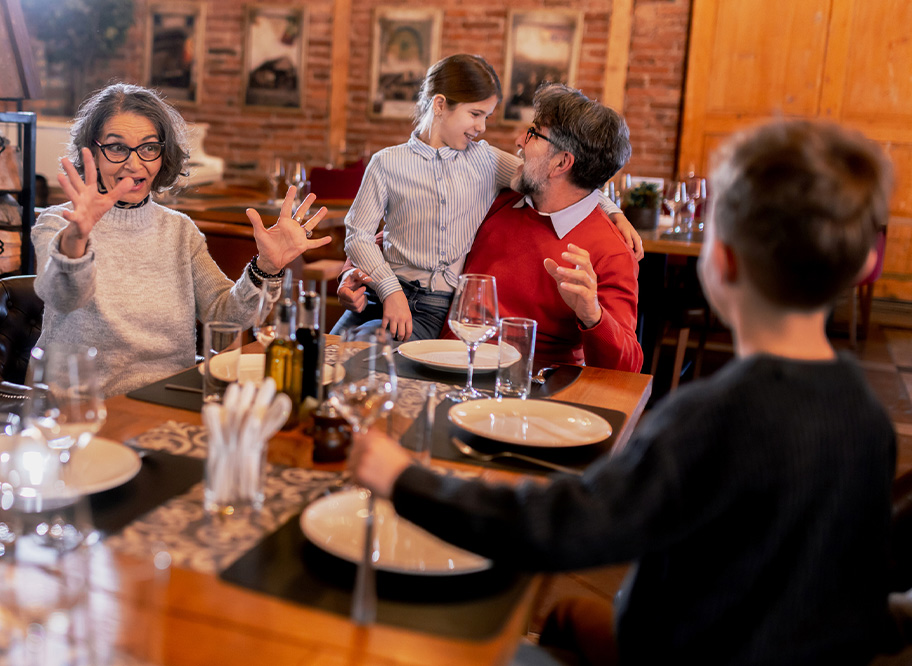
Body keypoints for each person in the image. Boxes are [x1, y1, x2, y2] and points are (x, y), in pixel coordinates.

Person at [350, 119, 896, 664]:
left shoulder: (710, 419)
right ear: (867, 262)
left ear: (722, 261)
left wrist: (406, 481)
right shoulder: (867, 416)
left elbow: (561, 528)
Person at [32, 83, 330, 397]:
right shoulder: (59, 221)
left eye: (148, 147)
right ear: (92, 153)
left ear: (163, 155)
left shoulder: (179, 231)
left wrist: (265, 267)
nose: (134, 164)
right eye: (117, 148)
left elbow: (223, 317)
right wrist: (77, 239)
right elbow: (63, 298)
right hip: (84, 404)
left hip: (170, 395)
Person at [334, 54, 641, 343]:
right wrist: (368, 281)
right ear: (439, 104)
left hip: (433, 309)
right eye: (475, 114)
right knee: (326, 353)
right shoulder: (388, 163)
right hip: (380, 290)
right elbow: (362, 235)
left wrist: (612, 210)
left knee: (362, 354)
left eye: (487, 116)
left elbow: (570, 180)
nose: (483, 128)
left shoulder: (486, 162)